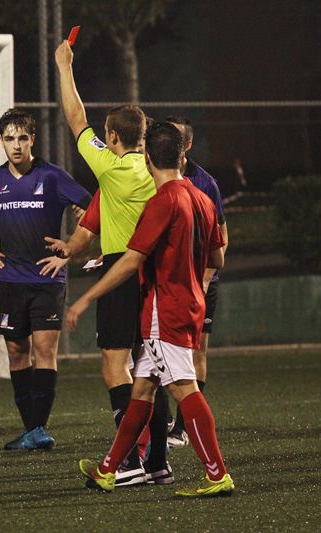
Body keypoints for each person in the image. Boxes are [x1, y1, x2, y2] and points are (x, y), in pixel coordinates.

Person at [67, 122, 233, 497]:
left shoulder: (164, 201)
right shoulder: (201, 197)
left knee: (184, 389)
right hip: (190, 302)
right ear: (182, 155)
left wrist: (85, 297)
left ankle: (217, 473)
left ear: (146, 157)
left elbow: (129, 262)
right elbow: (218, 255)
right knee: (142, 390)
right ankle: (108, 470)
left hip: (165, 310)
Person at [54, 40, 156, 485]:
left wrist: (64, 67)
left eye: (107, 135)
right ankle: (157, 462)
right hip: (155, 274)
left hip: (120, 272)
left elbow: (77, 119)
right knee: (149, 366)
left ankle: (131, 458)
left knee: (115, 365)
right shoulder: (157, 172)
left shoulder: (111, 167)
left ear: (112, 137)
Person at [0, 108, 91, 451]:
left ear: (32, 140)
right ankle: (32, 429)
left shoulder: (52, 176)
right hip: (10, 280)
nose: (16, 145)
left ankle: (38, 428)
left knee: (45, 351)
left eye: (22, 138)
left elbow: (91, 208)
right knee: (18, 353)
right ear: (2, 141)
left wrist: (70, 248)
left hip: (47, 279)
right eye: (9, 138)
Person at [164, 115, 229, 448]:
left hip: (198, 284)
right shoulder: (155, 177)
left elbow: (221, 240)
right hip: (166, 284)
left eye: (176, 139)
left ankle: (185, 426)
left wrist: (204, 281)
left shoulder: (205, 183)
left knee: (196, 352)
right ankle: (161, 421)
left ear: (187, 144)